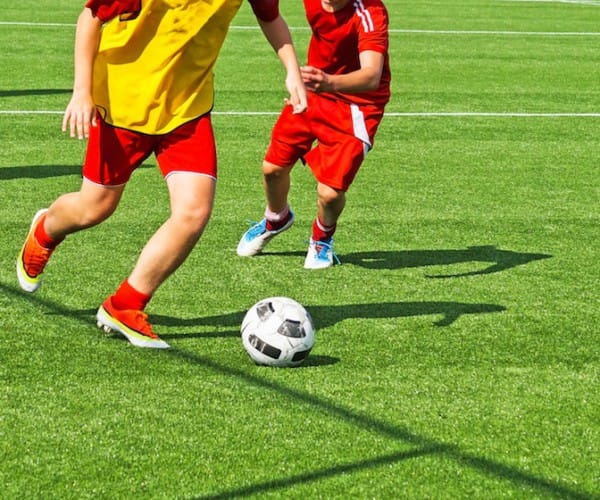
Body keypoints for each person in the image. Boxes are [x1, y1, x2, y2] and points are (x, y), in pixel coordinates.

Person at [16, 0, 307, 349]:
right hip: (123, 103)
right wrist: (82, 90)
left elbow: (269, 15)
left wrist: (291, 69)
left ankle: (125, 305)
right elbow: (90, 18)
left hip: (187, 109)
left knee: (193, 212)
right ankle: (45, 231)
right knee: (95, 207)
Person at [237, 0, 391, 269]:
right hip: (316, 89)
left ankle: (322, 238)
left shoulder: (370, 13)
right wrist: (305, 80)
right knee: (272, 168)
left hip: (357, 105)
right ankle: (276, 218)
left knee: (329, 193)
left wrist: (328, 82)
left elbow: (371, 76)